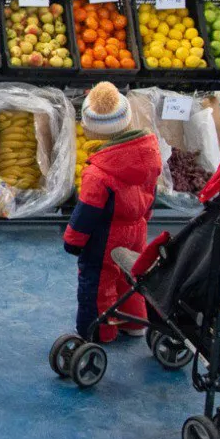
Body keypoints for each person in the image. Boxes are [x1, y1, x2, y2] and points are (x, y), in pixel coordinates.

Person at [63, 82, 161, 343]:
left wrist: (73, 240)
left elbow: (87, 213)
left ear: (91, 128)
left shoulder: (98, 172)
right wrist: (143, 219)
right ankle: (135, 323)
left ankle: (98, 332)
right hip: (137, 230)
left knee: (98, 283)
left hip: (104, 239)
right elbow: (152, 194)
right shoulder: (150, 154)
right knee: (131, 276)